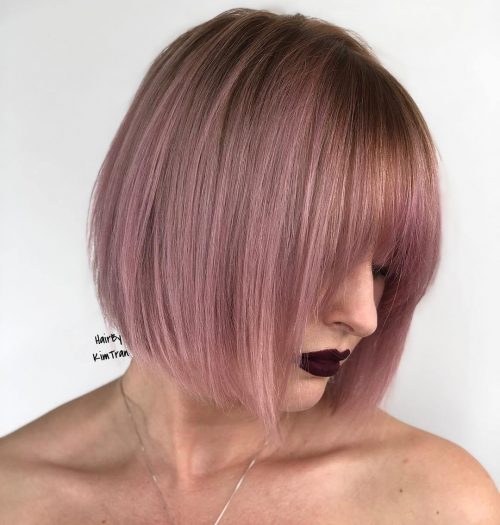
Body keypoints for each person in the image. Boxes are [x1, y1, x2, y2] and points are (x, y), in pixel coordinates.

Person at [1, 7, 499, 524]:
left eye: (382, 268)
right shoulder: (15, 499)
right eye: (322, 255)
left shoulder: (435, 503)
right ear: (187, 223)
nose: (364, 317)